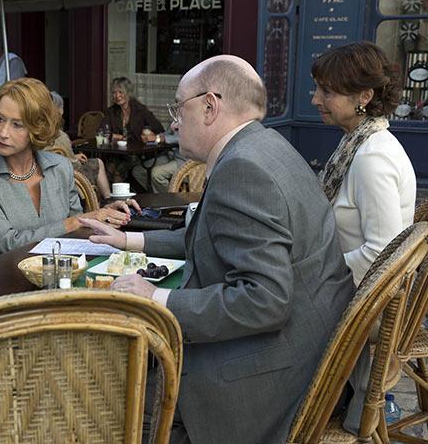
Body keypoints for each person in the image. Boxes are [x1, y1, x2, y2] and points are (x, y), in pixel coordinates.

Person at [80, 55, 355, 443]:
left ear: (210, 106)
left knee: (117, 387)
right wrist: (129, 240)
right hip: (308, 348)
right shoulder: (266, 144)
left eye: (179, 107)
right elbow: (215, 236)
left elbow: (264, 300)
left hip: (272, 378)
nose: (174, 120)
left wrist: (157, 297)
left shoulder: (243, 169)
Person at [0, 77, 140, 262]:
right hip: (4, 278)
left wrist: (104, 215)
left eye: (17, 124)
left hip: (61, 275)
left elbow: (77, 230)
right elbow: (8, 244)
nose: (3, 133)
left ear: (38, 128)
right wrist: (76, 221)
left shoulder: (60, 167)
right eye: (0, 119)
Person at [311, 41, 416, 286]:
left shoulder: (372, 158)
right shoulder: (357, 142)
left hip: (357, 311)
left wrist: (312, 274)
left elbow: (380, 256)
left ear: (365, 96)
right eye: (317, 89)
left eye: (327, 92)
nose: (315, 100)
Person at [100, 77, 170, 187]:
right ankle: (107, 200)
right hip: (118, 153)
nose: (117, 96)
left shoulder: (140, 110)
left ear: (128, 92)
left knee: (118, 171)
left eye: (120, 92)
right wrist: (113, 136)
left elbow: (159, 129)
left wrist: (148, 133)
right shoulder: (111, 111)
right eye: (114, 92)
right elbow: (102, 131)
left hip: (138, 154)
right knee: (108, 168)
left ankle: (119, 201)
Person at [46, 91, 112, 199]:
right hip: (70, 177)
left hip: (50, 174)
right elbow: (74, 165)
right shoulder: (59, 136)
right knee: (98, 163)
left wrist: (72, 156)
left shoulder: (36, 134)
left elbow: (51, 154)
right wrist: (74, 158)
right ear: (59, 110)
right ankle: (108, 199)